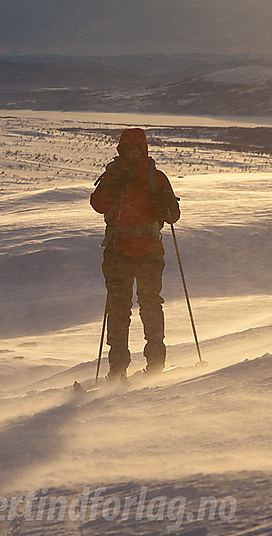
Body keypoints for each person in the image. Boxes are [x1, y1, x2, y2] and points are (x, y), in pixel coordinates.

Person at [90, 128, 180, 381]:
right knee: (131, 306)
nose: (131, 153)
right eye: (127, 149)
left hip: (129, 250)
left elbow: (172, 216)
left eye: (135, 149)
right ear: (121, 150)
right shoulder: (146, 177)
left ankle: (147, 364)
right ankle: (123, 367)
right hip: (133, 250)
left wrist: (166, 203)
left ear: (143, 149)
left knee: (136, 305)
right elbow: (99, 205)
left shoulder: (149, 178)